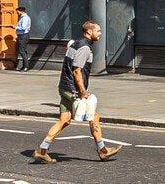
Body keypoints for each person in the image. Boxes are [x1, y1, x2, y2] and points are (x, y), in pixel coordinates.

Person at [34, 20, 118, 163]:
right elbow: (77, 71)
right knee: (94, 116)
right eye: (98, 31)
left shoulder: (75, 43)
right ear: (89, 32)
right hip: (73, 89)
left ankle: (42, 150)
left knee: (64, 120)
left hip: (64, 87)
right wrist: (83, 92)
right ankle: (102, 150)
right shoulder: (84, 48)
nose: (100, 33)